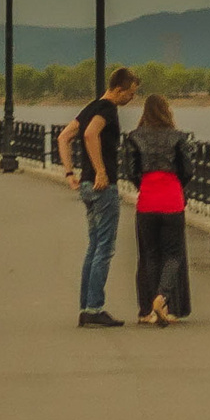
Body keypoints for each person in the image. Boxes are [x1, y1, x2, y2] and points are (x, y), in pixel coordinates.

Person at [57, 67, 138, 328]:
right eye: (131, 93)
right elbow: (90, 134)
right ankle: (94, 308)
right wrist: (101, 170)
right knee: (104, 247)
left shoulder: (91, 107)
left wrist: (70, 172)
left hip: (86, 185)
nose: (132, 99)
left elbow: (64, 137)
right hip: (103, 187)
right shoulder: (107, 109)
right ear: (119, 89)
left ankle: (86, 307)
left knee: (94, 247)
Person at [122, 94, 193, 325]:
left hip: (147, 201)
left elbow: (130, 171)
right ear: (167, 111)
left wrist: (143, 185)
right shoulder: (178, 137)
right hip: (172, 200)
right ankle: (162, 298)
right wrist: (177, 186)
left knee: (149, 255)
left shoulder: (134, 137)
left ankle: (148, 311)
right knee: (173, 254)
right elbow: (188, 170)